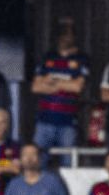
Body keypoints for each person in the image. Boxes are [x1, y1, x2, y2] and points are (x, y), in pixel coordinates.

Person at [31, 20, 89, 151]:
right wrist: (66, 83)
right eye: (61, 35)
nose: (64, 38)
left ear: (74, 37)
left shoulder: (81, 58)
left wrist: (52, 80)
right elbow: (36, 87)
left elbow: (77, 87)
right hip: (44, 121)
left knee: (68, 165)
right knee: (38, 160)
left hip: (68, 122)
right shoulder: (47, 57)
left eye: (67, 35)